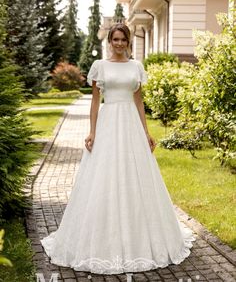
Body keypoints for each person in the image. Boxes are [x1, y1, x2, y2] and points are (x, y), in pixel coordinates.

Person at [40, 23, 196, 275]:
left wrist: (146, 132)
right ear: (110, 41)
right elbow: (94, 101)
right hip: (109, 122)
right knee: (104, 176)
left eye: (123, 39)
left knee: (137, 176)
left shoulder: (136, 67)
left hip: (131, 126)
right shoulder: (100, 66)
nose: (120, 43)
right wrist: (92, 131)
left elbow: (138, 99)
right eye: (115, 39)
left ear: (128, 41)